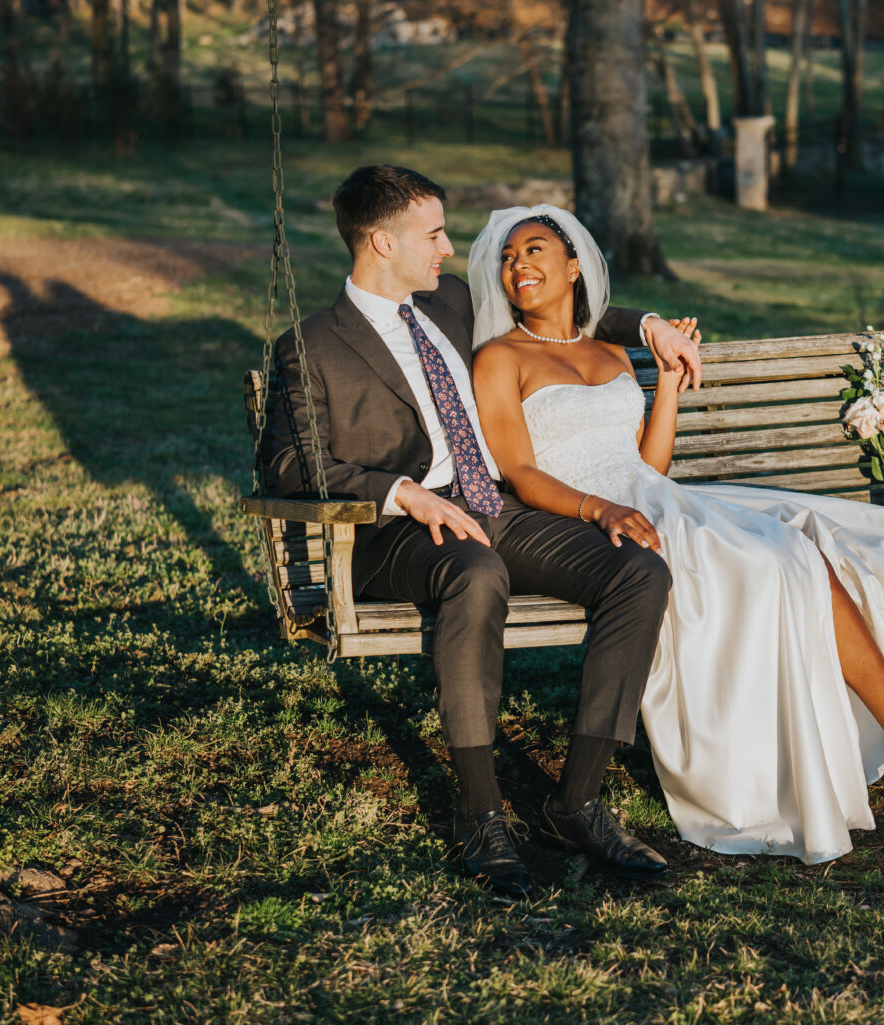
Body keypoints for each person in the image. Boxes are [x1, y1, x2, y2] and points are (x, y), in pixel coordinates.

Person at [469, 205, 884, 865]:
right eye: (507, 258)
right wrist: (598, 511)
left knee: (812, 547)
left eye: (533, 250)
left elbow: (649, 466)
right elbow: (521, 472)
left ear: (573, 264)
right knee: (781, 561)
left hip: (655, 497)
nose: (518, 265)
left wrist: (668, 384)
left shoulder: (611, 352)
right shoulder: (501, 359)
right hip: (585, 517)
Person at [262, 167, 706, 896]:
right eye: (433, 235)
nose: (448, 248)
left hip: (497, 507)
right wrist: (401, 492)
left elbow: (570, 305)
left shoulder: (451, 305)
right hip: (401, 529)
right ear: (382, 242)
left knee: (639, 568)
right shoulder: (311, 346)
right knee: (475, 570)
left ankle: (578, 802)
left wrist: (648, 325)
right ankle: (480, 811)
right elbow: (286, 462)